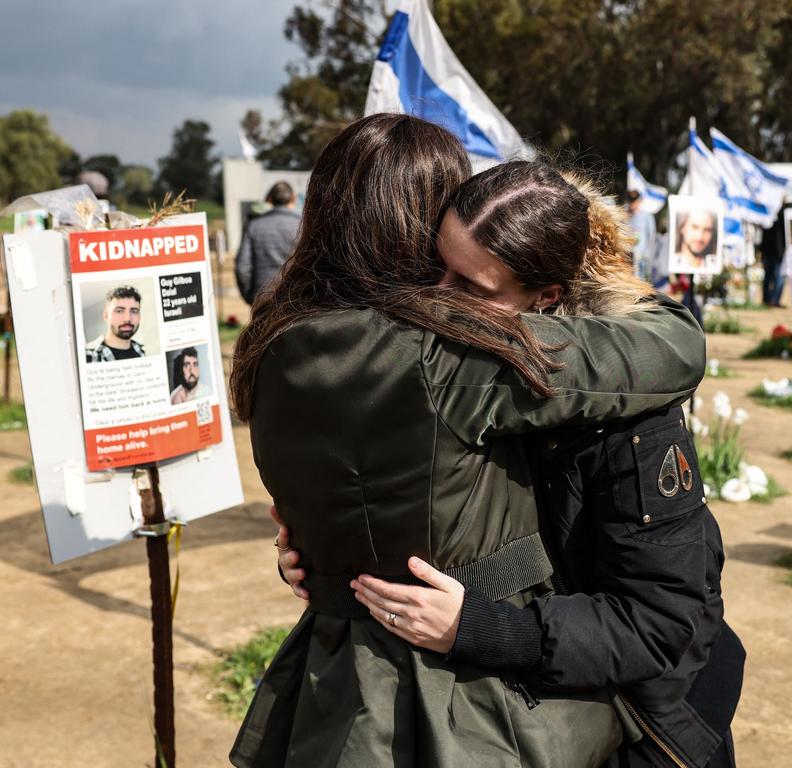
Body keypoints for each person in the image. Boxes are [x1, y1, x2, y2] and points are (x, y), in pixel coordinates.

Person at [229, 115, 707, 768]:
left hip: (336, 699)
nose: (445, 295)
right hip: (483, 714)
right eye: (441, 264)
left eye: (469, 282)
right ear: (422, 229)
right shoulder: (449, 353)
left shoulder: (272, 345)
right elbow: (675, 348)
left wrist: (322, 554)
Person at [234, 181, 301, 304]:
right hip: (296, 298)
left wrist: (250, 296)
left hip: (262, 298)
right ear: (294, 199)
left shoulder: (254, 225)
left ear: (270, 199)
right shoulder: (303, 226)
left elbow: (242, 267)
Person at [84, 286, 145, 362]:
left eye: (134, 311)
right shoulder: (86, 356)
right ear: (106, 316)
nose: (127, 319)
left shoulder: (143, 352)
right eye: (119, 311)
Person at [625, 190, 657, 282]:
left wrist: (647, 254)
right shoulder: (625, 214)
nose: (632, 204)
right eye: (630, 201)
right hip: (628, 255)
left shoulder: (646, 216)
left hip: (642, 256)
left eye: (634, 201)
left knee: (641, 281)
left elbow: (652, 236)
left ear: (640, 201)